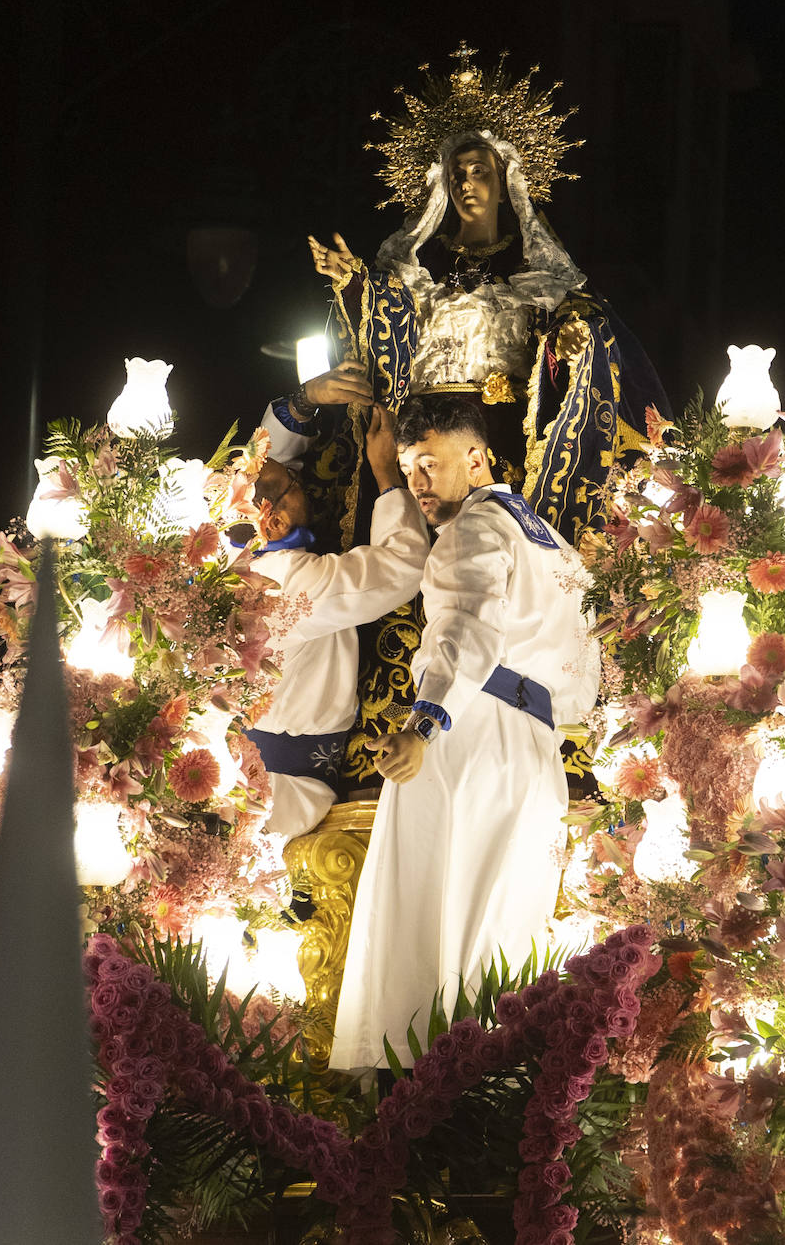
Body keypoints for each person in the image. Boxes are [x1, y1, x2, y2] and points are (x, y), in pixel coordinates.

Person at [308, 45, 671, 552]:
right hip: (420, 440)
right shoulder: (418, 264)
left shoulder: (534, 269)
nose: (465, 182)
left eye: (479, 170)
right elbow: (384, 336)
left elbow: (577, 319)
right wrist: (351, 286)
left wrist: (568, 339)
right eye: (456, 172)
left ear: (506, 181)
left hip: (497, 436)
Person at [329, 395, 600, 1071]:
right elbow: (584, 663)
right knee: (504, 925)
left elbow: (463, 631)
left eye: (430, 465)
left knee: (426, 910)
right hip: (536, 751)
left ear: (476, 460)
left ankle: (418, 1105)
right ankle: (490, 1097)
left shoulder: (472, 530)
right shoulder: (548, 538)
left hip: (469, 734)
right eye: (408, 468)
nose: (418, 482)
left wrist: (425, 724)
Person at [244, 391, 428, 842]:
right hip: (289, 795)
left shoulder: (230, 556)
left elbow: (261, 478)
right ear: (272, 521)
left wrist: (303, 402)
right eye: (296, 485)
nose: (302, 480)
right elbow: (405, 566)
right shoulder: (291, 584)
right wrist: (386, 473)